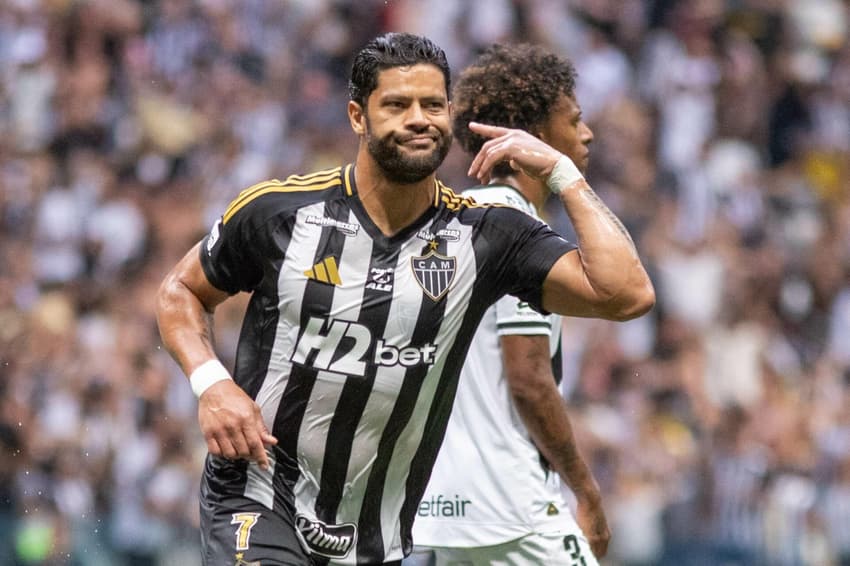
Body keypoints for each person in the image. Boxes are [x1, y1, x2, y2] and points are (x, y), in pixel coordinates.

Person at [155, 32, 654, 566]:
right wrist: (211, 384)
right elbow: (180, 290)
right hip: (258, 492)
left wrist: (561, 173)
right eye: (397, 105)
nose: (419, 119)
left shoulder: (486, 235)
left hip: (376, 532)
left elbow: (625, 294)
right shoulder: (281, 212)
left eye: (433, 105)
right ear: (358, 117)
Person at [408, 43, 610, 566]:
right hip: (509, 501)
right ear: (536, 133)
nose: (587, 134)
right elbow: (528, 378)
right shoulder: (516, 229)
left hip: (444, 501)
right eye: (575, 120)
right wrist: (585, 489)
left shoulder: (454, 220)